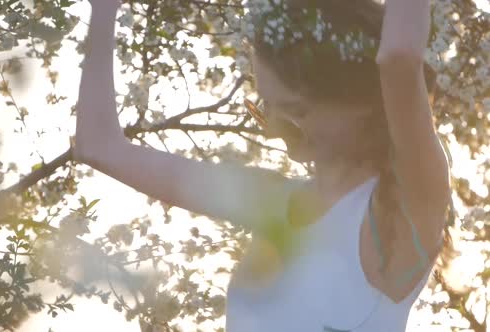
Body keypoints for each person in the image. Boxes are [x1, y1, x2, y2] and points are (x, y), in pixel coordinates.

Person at [73, 0, 453, 331]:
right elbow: (100, 145)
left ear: (363, 102)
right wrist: (104, 9)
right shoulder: (269, 201)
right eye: (264, 109)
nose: (272, 131)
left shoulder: (407, 211)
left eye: (295, 112)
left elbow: (398, 57)